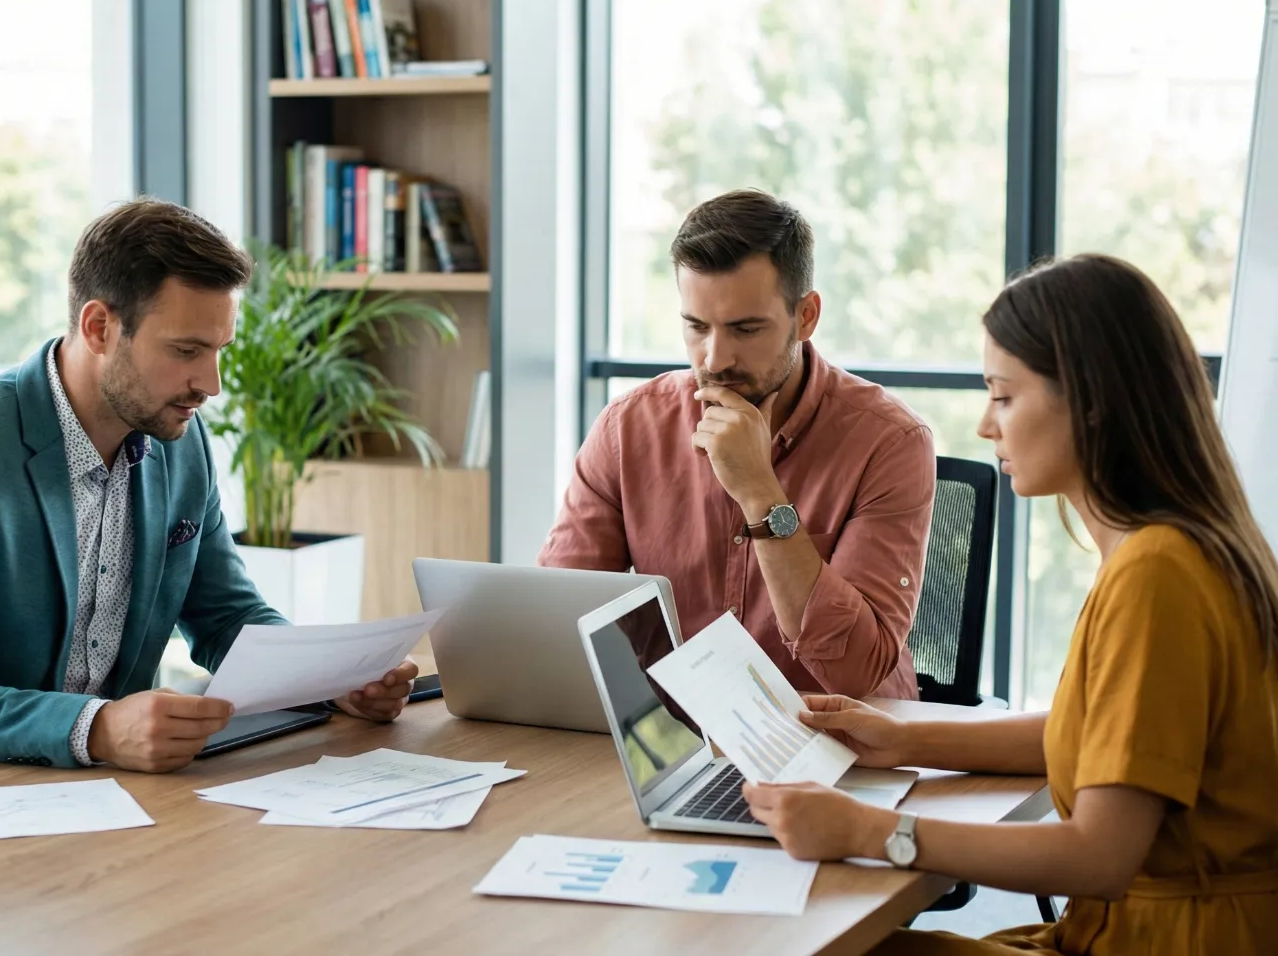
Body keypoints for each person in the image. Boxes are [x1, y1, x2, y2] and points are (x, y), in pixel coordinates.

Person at [742, 254, 1278, 954]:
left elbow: (1099, 857)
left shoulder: (1158, 574)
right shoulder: (1171, 547)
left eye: (1002, 395)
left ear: (1089, 403)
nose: (985, 426)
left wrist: (868, 832)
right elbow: (1101, 732)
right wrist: (907, 738)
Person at [0, 199, 415, 789]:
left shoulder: (179, 441)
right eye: (186, 351)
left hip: (70, 795)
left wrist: (330, 679)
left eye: (219, 350)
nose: (212, 384)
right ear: (98, 327)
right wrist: (96, 728)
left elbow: (226, 616)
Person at [540, 189, 935, 699]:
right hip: (681, 743)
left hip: (836, 741)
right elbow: (559, 619)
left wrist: (760, 493)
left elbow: (856, 671)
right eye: (695, 326)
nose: (716, 357)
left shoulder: (890, 441)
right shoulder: (628, 428)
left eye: (745, 329)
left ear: (807, 316)